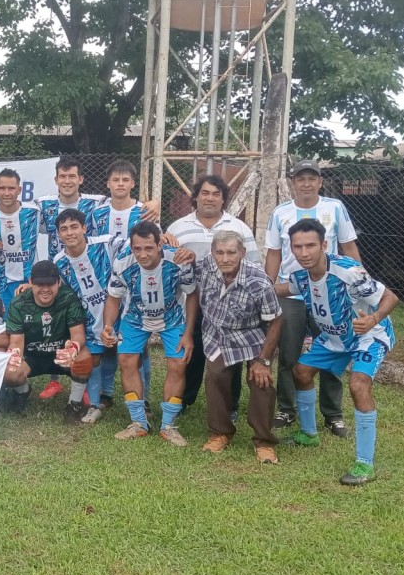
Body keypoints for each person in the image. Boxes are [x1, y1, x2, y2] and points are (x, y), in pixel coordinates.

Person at [275, 218, 397, 486]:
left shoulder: (348, 271)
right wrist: (254, 284)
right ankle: (309, 434)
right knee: (302, 371)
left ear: (324, 244)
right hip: (333, 339)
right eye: (298, 247)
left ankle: (365, 463)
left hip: (368, 336)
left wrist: (374, 318)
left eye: (310, 245)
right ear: (291, 249)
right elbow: (285, 288)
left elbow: (390, 297)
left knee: (358, 385)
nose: (304, 253)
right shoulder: (301, 276)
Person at [0, 156, 104, 401]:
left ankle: (82, 383)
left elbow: (121, 205)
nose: (67, 181)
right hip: (30, 279)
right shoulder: (41, 206)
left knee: (66, 327)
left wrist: (152, 203)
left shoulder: (95, 203)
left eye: (72, 176)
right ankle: (27, 383)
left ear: (80, 179)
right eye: (62, 176)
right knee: (18, 332)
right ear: (55, 180)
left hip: (66, 276)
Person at [265, 159, 361, 437]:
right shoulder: (280, 212)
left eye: (312, 178)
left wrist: (359, 282)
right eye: (300, 178)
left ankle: (333, 414)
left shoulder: (335, 208)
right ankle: (286, 408)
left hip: (329, 293)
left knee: (334, 349)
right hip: (290, 293)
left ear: (320, 181)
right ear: (292, 182)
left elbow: (348, 246)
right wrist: (267, 288)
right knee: (288, 352)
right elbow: (273, 252)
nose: (306, 184)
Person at [165, 175, 260, 417]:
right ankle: (184, 401)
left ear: (223, 199)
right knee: (191, 352)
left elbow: (254, 266)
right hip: (191, 304)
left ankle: (231, 407)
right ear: (195, 197)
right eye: (205, 193)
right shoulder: (177, 227)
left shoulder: (239, 227)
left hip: (229, 305)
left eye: (216, 194)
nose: (210, 198)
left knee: (230, 355)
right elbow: (167, 267)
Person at [102, 221, 197, 446]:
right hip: (135, 319)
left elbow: (192, 295)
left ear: (159, 245)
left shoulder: (178, 261)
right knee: (126, 361)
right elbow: (114, 297)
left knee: (177, 365)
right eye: (137, 249)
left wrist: (189, 333)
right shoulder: (122, 262)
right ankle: (138, 423)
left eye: (148, 248)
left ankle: (168, 425)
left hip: (172, 320)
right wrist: (108, 326)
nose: (143, 254)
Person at [195, 231, 284, 464]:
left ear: (242, 253)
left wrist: (264, 361)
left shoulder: (258, 281)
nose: (225, 258)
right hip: (218, 333)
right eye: (220, 252)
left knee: (261, 381)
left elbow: (275, 320)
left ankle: (264, 441)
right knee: (215, 375)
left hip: (252, 333)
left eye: (231, 252)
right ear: (213, 253)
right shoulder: (206, 266)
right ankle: (220, 432)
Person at [52, 209, 127, 424]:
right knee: (93, 358)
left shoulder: (106, 243)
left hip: (121, 310)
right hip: (90, 318)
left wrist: (164, 240)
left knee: (130, 355)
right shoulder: (59, 262)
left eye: (74, 227)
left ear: (84, 228)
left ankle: (133, 402)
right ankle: (95, 404)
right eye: (64, 229)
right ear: (58, 234)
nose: (70, 233)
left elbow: (138, 245)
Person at [3, 260, 93, 420]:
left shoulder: (68, 297)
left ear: (58, 282)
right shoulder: (18, 303)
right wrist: (14, 357)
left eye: (50, 284)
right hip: (32, 357)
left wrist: (73, 348)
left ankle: (74, 403)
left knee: (83, 355)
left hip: (61, 354)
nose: (45, 289)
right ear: (30, 283)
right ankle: (22, 392)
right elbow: (16, 342)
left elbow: (78, 333)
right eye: (39, 284)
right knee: (9, 370)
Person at [0, 168, 42, 312]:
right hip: (0, 287)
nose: (7, 193)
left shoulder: (34, 212)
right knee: (4, 330)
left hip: (29, 283)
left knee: (30, 330)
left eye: (11, 188)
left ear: (19, 190)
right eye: (2, 188)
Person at [92, 159, 161, 240]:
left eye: (125, 180)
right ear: (108, 184)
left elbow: (157, 242)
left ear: (132, 184)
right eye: (116, 180)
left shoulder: (145, 212)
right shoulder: (98, 213)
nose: (120, 184)